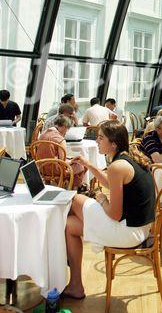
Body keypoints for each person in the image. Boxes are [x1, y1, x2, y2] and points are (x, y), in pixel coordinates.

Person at [64, 121, 155, 299]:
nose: (96, 141)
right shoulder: (127, 159)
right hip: (139, 228)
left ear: (113, 143)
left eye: (100, 138)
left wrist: (102, 199)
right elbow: (110, 183)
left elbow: (115, 214)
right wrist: (88, 164)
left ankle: (60, 258)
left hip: (128, 232)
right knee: (69, 226)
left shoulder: (117, 167)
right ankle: (76, 286)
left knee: (74, 199)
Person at [38, 115, 86, 189]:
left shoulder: (43, 135)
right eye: (67, 128)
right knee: (82, 165)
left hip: (42, 167)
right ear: (64, 126)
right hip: (55, 170)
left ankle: (75, 187)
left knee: (75, 165)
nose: (67, 131)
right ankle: (76, 188)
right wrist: (71, 161)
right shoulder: (60, 140)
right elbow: (62, 162)